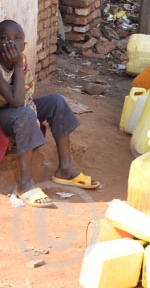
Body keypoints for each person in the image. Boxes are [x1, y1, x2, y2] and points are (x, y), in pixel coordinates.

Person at [0, 21, 100, 208]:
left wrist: (19, 65)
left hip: (14, 109)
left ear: (24, 45)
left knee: (56, 101)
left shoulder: (20, 63)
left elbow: (22, 100)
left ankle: (65, 168)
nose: (11, 44)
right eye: (4, 38)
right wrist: (19, 65)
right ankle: (25, 184)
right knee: (24, 114)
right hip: (4, 113)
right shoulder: (16, 63)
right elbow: (17, 102)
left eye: (17, 38)